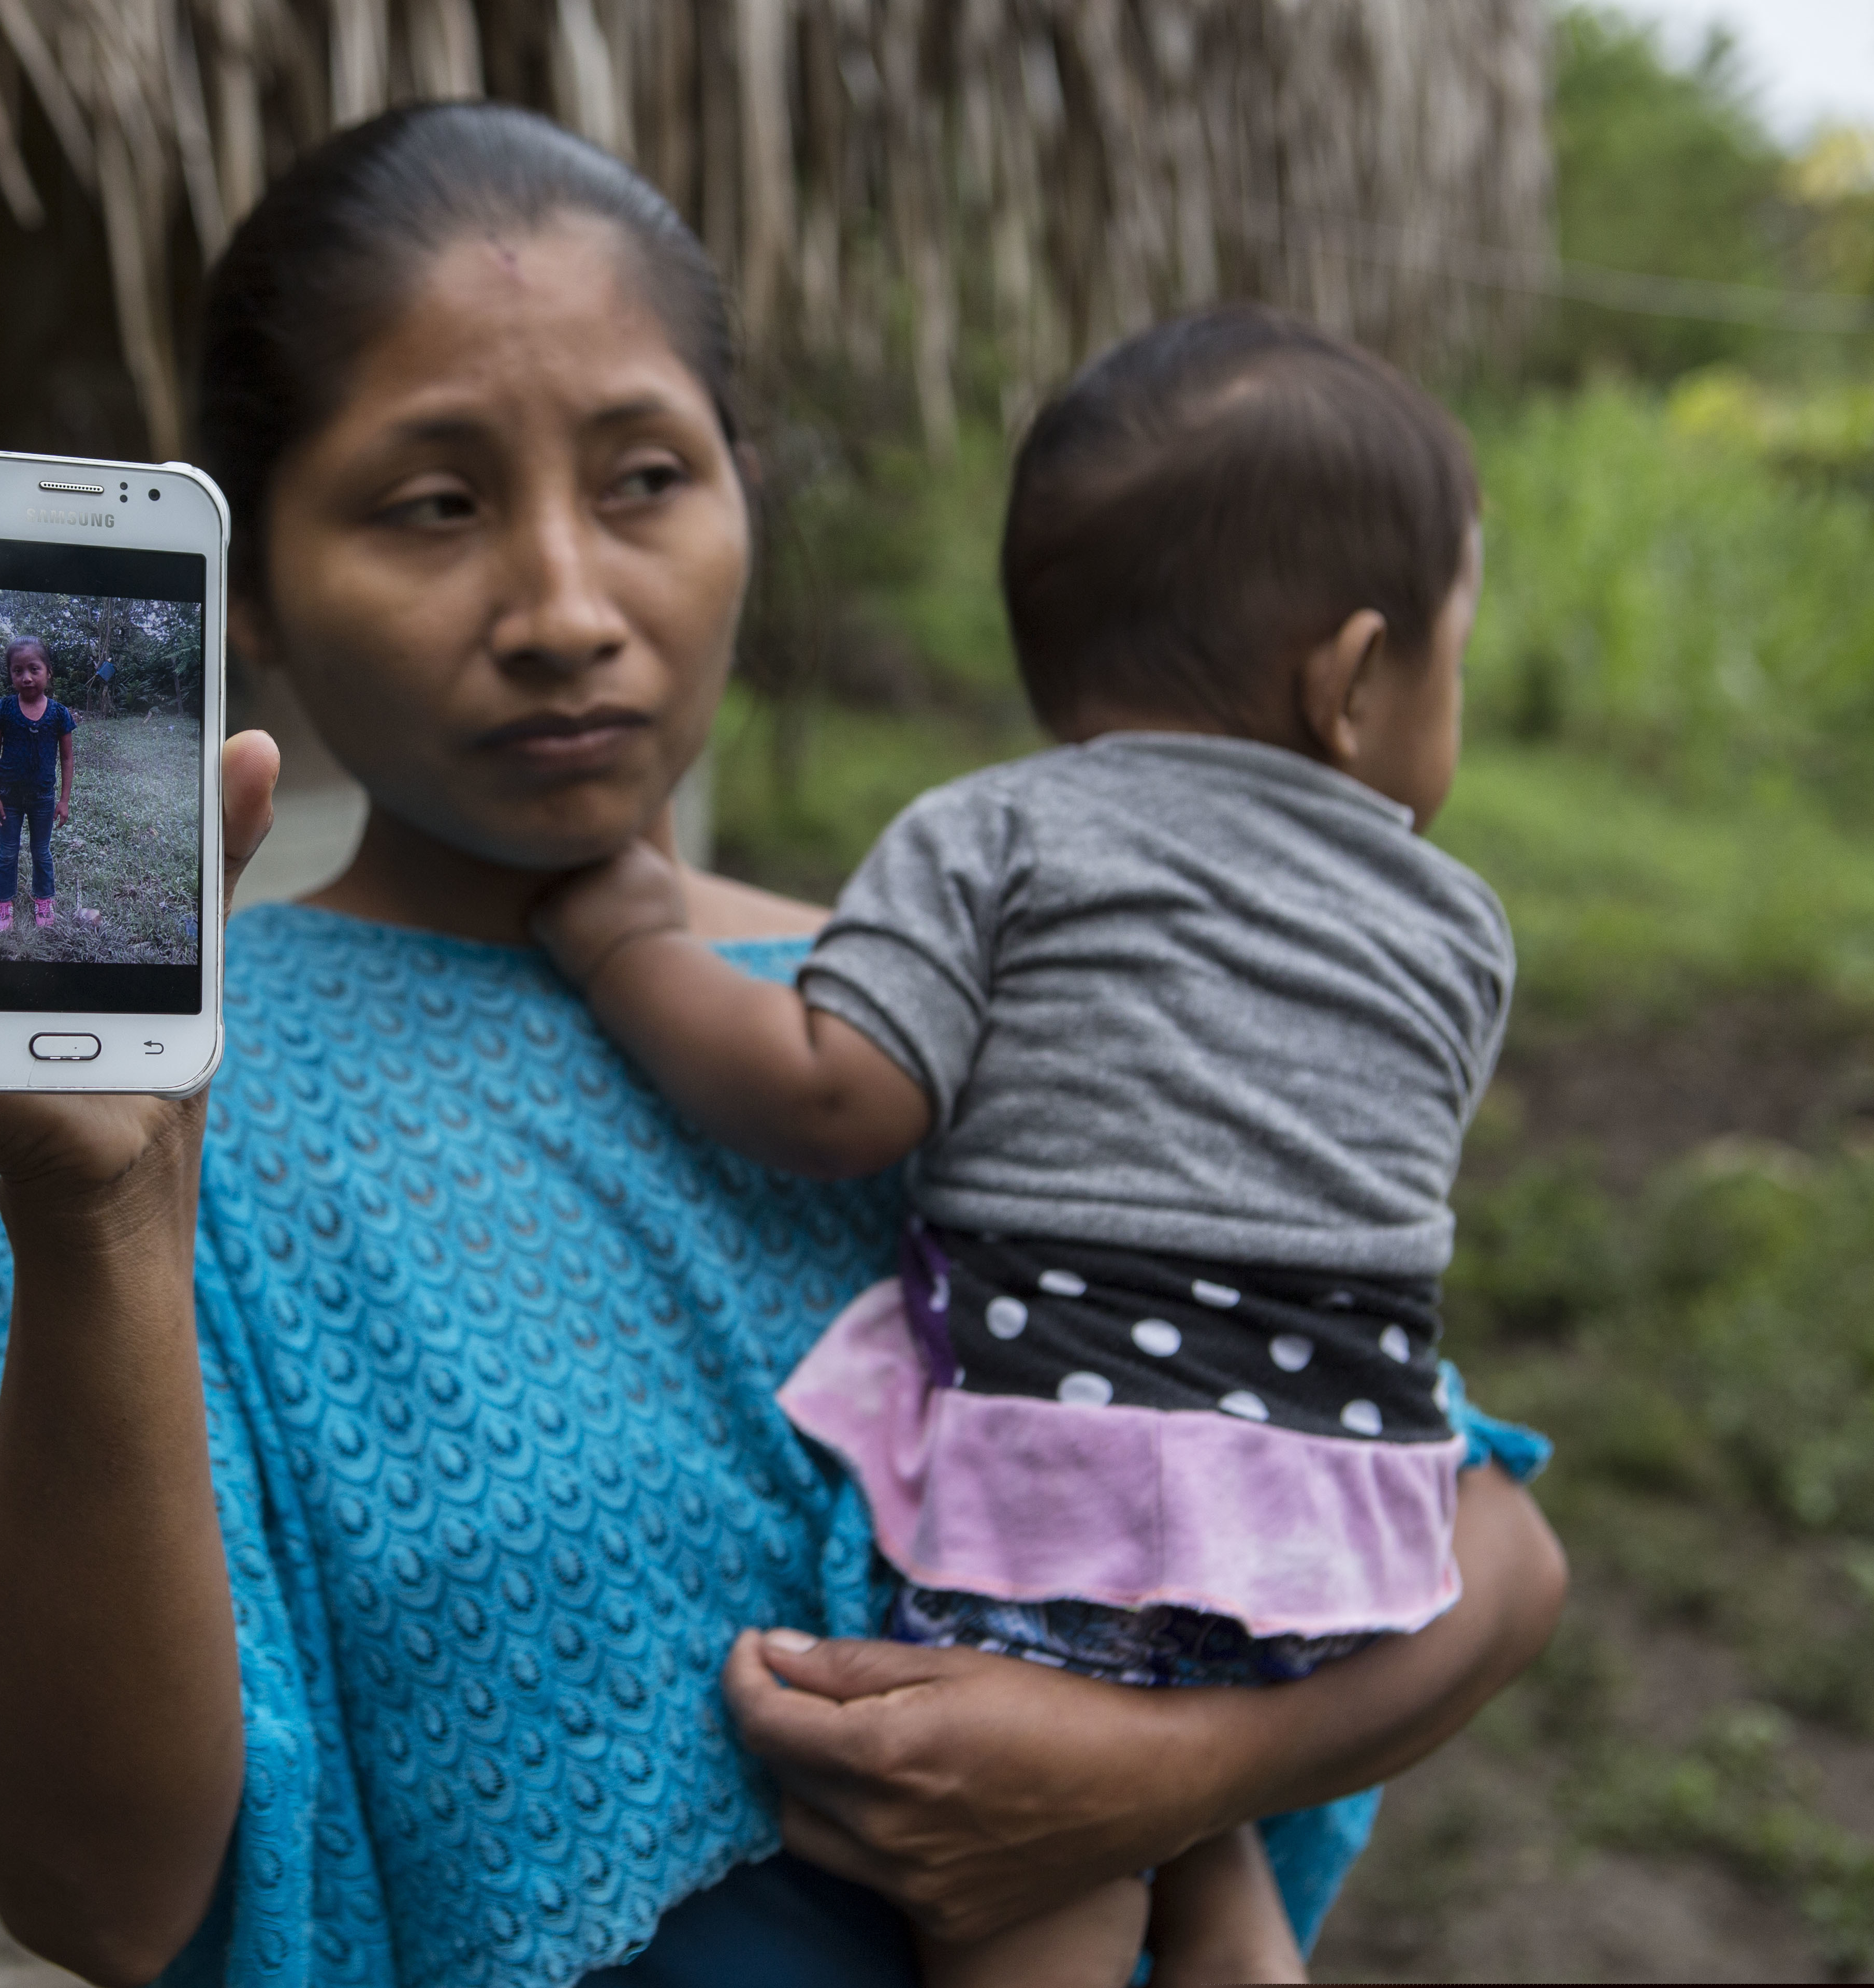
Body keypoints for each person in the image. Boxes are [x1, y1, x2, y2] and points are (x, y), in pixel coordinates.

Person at [0, 104, 1567, 1988]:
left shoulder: (952, 1008)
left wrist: (1153, 1778)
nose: (564, 610)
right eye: (431, 503)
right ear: (257, 598)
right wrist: (108, 1219)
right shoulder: (157, 1129)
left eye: (643, 477)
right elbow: (98, 1898)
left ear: (740, 498)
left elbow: (1491, 1546)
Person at [530, 304, 1532, 1986]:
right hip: (1342, 1531)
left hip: (1077, 1504)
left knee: (1039, 1900)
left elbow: (840, 1097)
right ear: (1355, 681)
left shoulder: (997, 829)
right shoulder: (1460, 929)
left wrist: (627, 939)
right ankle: (1226, 1916)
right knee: (1201, 1794)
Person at [0, 636, 76, 933]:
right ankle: (3, 902)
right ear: (10, 674)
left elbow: (67, 759)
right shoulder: (3, 709)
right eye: (17, 670)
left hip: (42, 798)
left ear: (48, 672)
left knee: (41, 851)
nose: (26, 677)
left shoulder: (60, 714)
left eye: (34, 669)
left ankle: (44, 898)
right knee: (7, 851)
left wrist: (64, 800)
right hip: (8, 797)